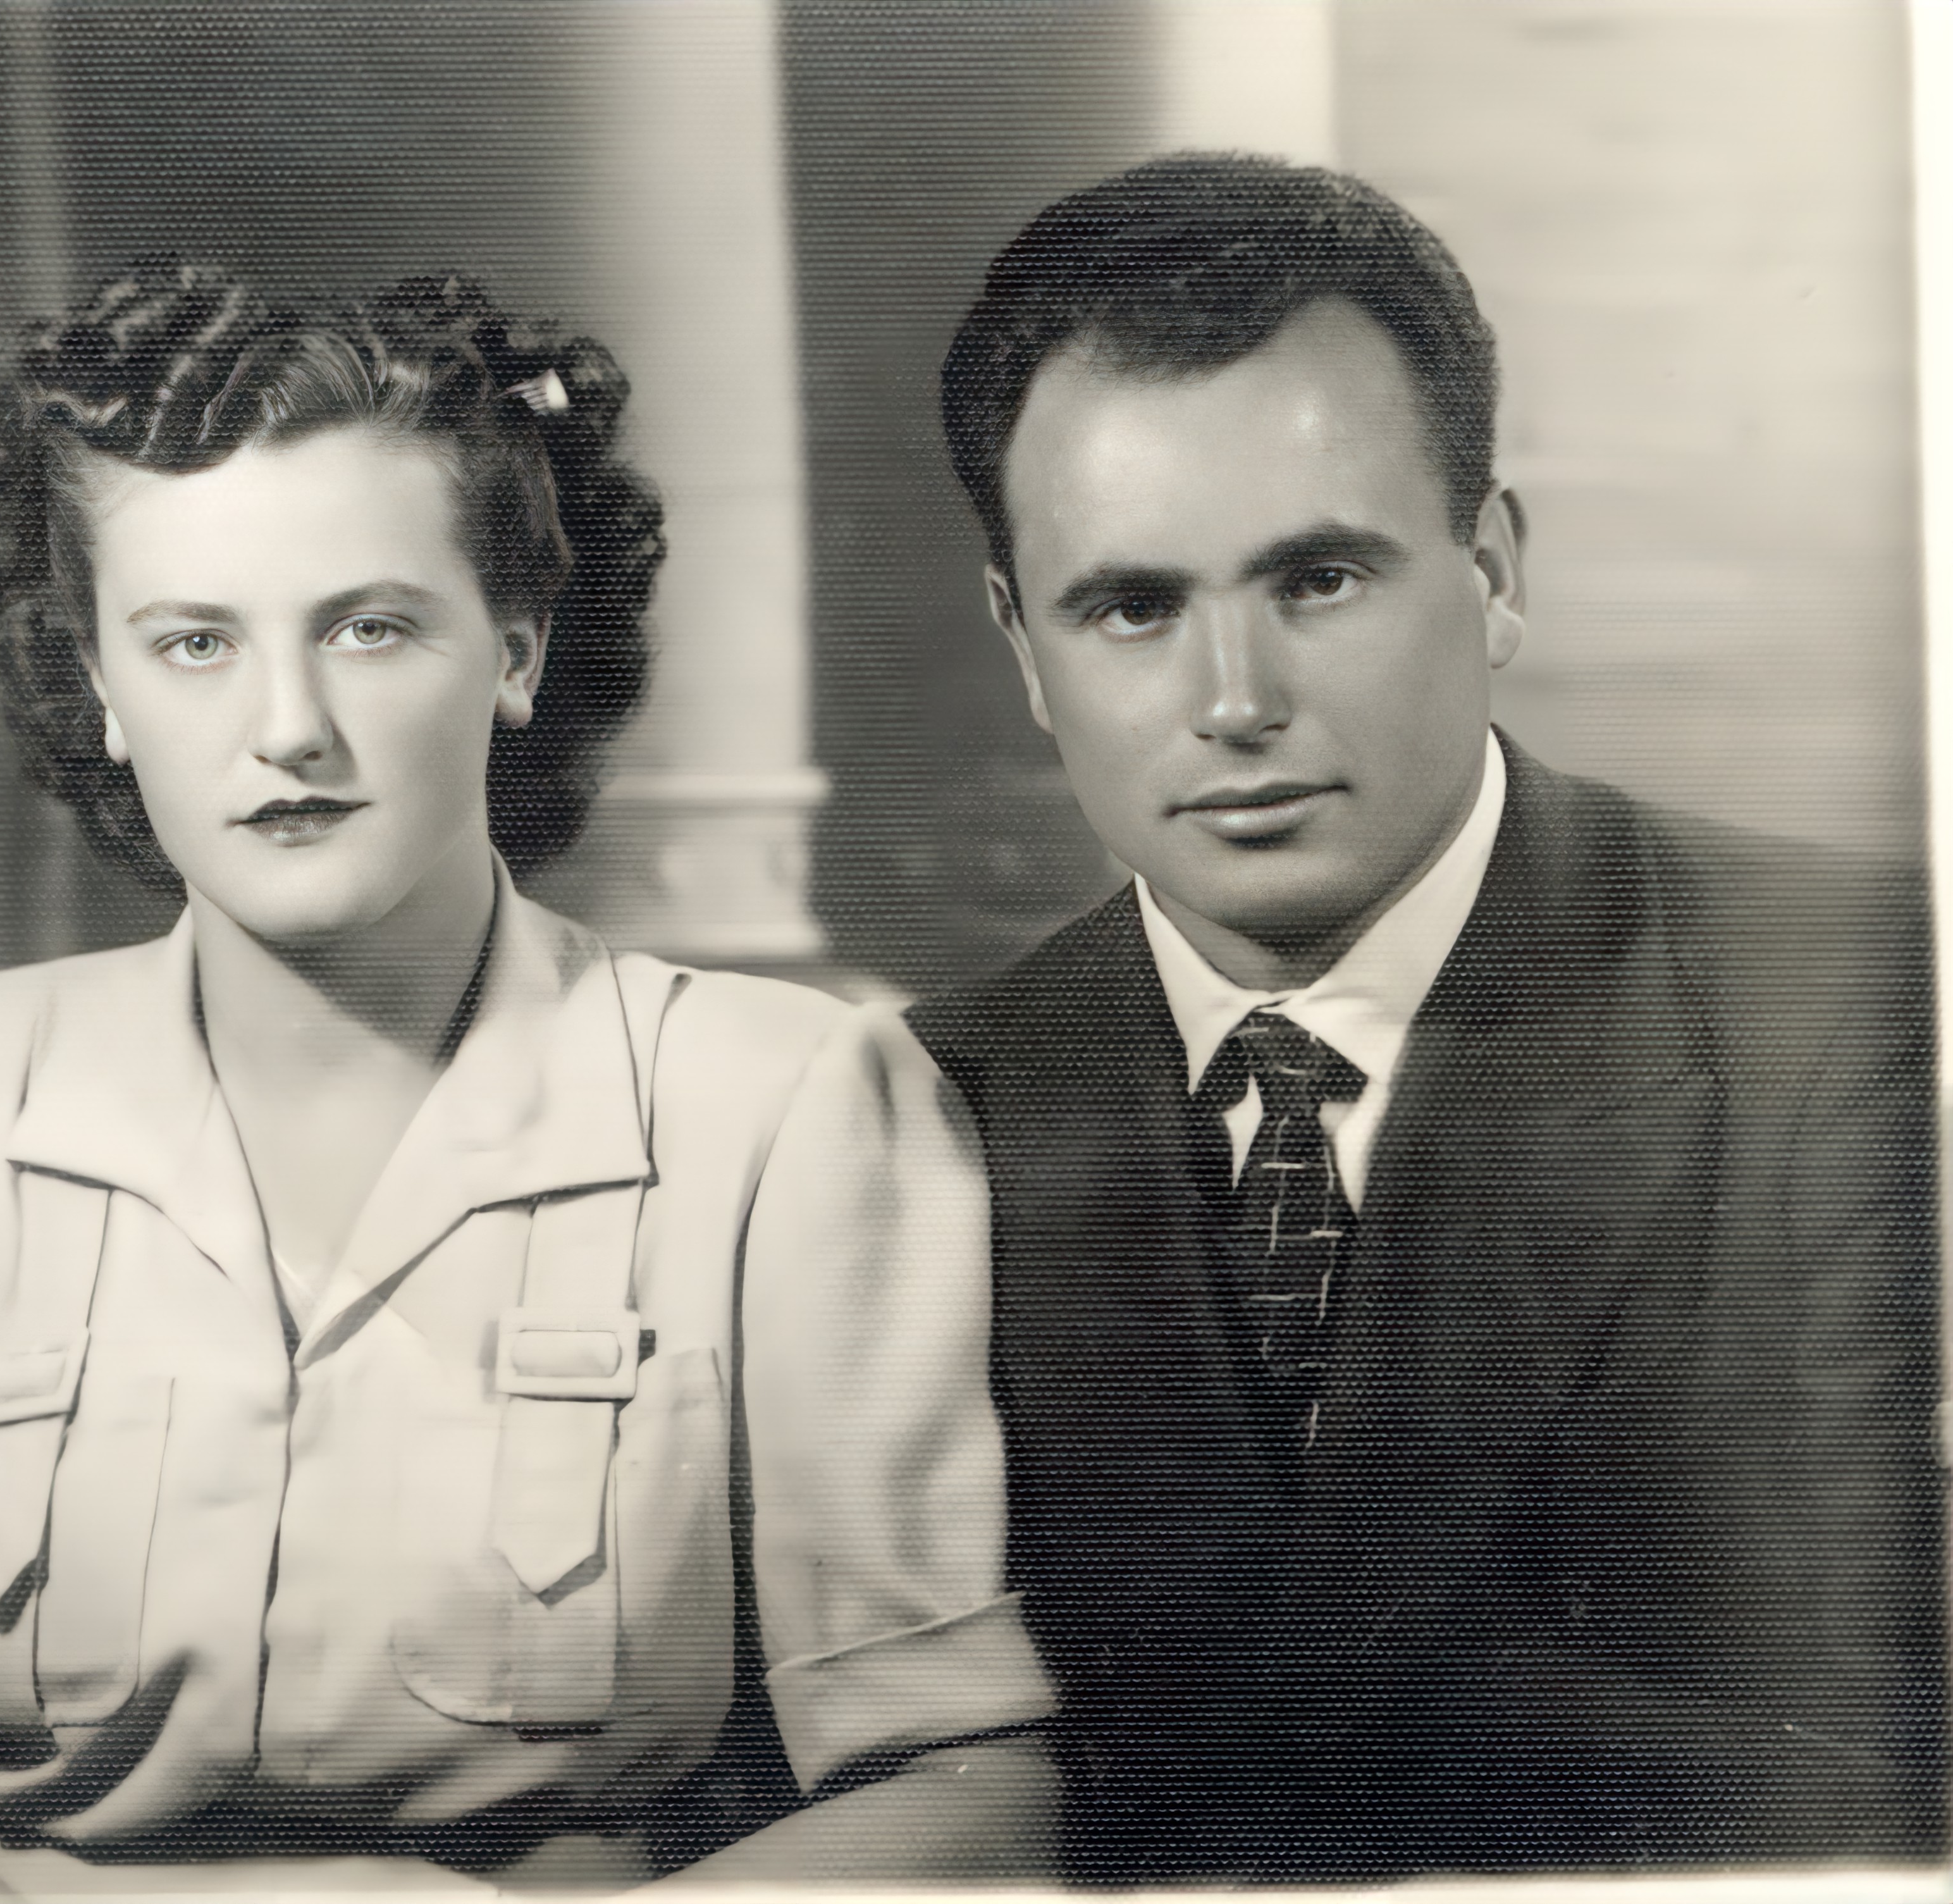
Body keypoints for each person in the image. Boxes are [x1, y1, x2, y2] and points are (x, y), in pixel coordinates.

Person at [740, 153, 1947, 1884]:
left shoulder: (1860, 995)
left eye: (1317, 580)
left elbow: (1890, 1771)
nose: (1234, 702)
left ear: (1495, 570)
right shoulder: (936, 1102)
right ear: (1022, 644)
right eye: (1133, 607)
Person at [0, 261, 895, 1894]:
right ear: (101, 686)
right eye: (194, 643)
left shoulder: (784, 1097)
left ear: (516, 653)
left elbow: (961, 1778)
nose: (289, 728)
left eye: (369, 627)